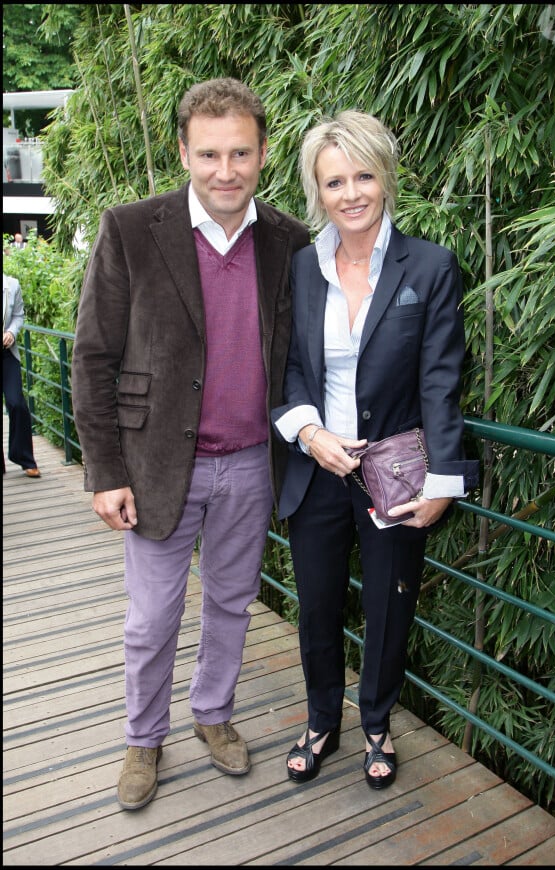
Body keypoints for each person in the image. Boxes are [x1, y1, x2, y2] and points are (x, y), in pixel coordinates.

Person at [71, 77, 310, 811]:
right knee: (151, 619)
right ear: (183, 151)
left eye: (241, 152)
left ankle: (214, 717)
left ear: (263, 153)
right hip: (155, 468)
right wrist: (105, 472)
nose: (225, 170)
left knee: (233, 604)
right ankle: (144, 739)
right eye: (209, 154)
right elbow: (92, 355)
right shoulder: (130, 227)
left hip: (251, 464)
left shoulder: (291, 240)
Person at [271, 111, 478, 790]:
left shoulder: (432, 265)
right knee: (318, 605)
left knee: (390, 608)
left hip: (396, 474)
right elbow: (290, 369)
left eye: (363, 175)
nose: (351, 192)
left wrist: (444, 479)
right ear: (317, 191)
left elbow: (441, 379)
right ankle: (321, 721)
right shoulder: (303, 267)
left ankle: (378, 723)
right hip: (317, 469)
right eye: (335, 181)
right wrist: (310, 432)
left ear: (386, 178)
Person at [3, 273, 41, 478]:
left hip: (7, 354)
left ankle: (24, 457)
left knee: (16, 402)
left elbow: (18, 316)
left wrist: (11, 332)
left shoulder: (11, 285)